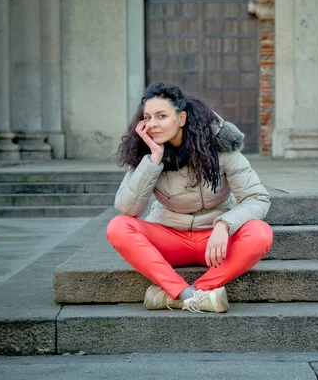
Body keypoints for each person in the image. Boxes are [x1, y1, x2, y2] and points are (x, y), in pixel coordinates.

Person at [106, 83, 273, 313]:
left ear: (182, 118)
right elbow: (127, 209)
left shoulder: (220, 148)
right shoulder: (146, 153)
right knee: (118, 227)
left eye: (161, 116)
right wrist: (154, 159)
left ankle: (189, 292)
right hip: (171, 236)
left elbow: (257, 198)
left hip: (215, 243)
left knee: (260, 233)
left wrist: (225, 225)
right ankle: (188, 295)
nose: (153, 124)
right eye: (148, 117)